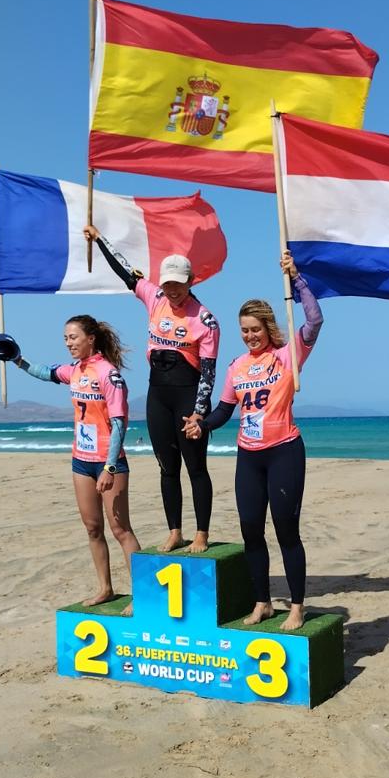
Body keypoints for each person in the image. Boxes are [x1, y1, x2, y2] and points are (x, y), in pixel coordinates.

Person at [184, 250, 323, 631]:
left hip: (284, 452)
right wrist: (202, 424)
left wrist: (297, 279)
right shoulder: (236, 367)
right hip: (249, 455)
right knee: (250, 529)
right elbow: (225, 411)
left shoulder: (287, 355)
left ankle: (296, 606)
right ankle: (262, 601)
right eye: (244, 330)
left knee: (286, 530)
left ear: (268, 327)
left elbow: (315, 319)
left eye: (255, 329)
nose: (249, 336)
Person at [83, 224, 219, 554]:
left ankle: (201, 532)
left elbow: (209, 373)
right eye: (168, 283)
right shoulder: (154, 297)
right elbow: (125, 271)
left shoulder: (205, 319)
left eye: (179, 284)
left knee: (196, 468)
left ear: (190, 282)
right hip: (157, 395)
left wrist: (199, 413)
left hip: (187, 397)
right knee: (167, 467)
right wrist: (100, 238)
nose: (172, 290)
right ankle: (175, 531)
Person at [1, 315, 141, 613]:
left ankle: (142, 595)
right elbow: (45, 372)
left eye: (73, 337)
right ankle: (105, 588)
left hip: (108, 463)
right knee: (92, 528)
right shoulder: (75, 371)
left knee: (120, 529)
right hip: (81, 461)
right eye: (65, 338)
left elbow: (119, 423)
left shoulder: (108, 374)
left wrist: (110, 466)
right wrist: (18, 360)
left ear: (91, 338)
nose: (68, 343)